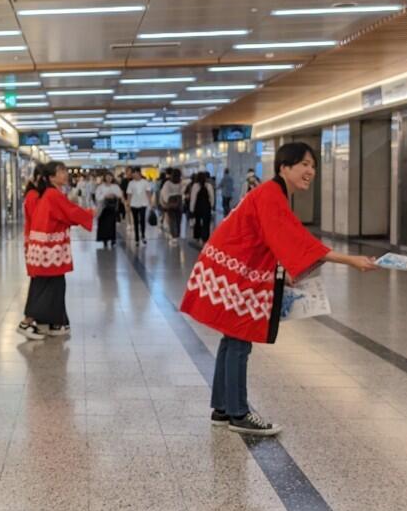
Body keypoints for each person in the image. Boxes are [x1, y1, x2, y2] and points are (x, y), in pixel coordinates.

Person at [180, 143, 378, 437]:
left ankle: (223, 408)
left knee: (233, 337)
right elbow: (294, 238)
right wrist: (350, 259)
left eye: (313, 165)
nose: (310, 171)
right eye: (304, 164)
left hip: (234, 268)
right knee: (239, 340)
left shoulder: (272, 193)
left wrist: (282, 274)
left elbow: (272, 239)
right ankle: (238, 413)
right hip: (236, 272)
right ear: (284, 167)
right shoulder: (272, 194)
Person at [24, 162, 94, 336]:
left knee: (55, 284)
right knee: (46, 286)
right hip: (48, 249)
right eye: (61, 171)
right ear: (51, 177)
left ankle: (55, 323)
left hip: (47, 248)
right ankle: (27, 323)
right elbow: (71, 212)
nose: (65, 174)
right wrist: (89, 214)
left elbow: (65, 214)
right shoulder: (53, 195)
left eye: (65, 170)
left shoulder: (49, 194)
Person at [18, 163, 51, 340]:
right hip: (35, 243)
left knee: (41, 281)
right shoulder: (33, 196)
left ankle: (39, 320)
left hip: (39, 242)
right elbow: (38, 219)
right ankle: (27, 321)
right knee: (38, 281)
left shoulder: (37, 194)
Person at [94, 171, 123, 248]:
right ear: (104, 178)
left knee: (112, 224)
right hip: (103, 208)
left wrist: (113, 195)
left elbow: (120, 195)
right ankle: (104, 240)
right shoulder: (100, 187)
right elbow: (97, 197)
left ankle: (112, 239)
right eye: (107, 176)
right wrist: (105, 196)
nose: (109, 178)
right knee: (103, 225)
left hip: (112, 208)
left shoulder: (115, 186)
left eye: (110, 176)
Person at [125, 169, 153, 245]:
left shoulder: (145, 182)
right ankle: (136, 238)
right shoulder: (131, 183)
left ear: (139, 173)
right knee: (135, 221)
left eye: (135, 173)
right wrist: (128, 204)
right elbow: (129, 194)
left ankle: (143, 235)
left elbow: (148, 192)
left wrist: (150, 202)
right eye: (133, 173)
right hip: (133, 204)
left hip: (143, 203)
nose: (134, 175)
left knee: (142, 220)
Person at [160, 168, 187, 243]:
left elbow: (164, 194)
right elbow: (183, 192)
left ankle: (173, 236)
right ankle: (177, 235)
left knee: (172, 220)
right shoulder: (181, 183)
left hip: (170, 202)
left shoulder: (167, 183)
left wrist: (165, 202)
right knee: (178, 219)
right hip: (179, 202)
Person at [189, 171, 215, 245]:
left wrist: (191, 209)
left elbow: (193, 198)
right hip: (206, 206)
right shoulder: (209, 185)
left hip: (198, 207)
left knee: (197, 222)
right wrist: (212, 205)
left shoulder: (195, 186)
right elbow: (212, 197)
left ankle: (197, 236)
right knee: (206, 223)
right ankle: (205, 238)